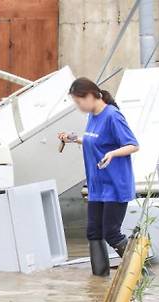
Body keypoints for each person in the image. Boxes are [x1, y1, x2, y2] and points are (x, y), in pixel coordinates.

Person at [58, 77, 139, 276]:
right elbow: (95, 140)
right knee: (93, 233)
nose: (78, 106)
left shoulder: (113, 116)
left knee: (111, 233)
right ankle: (99, 282)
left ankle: (143, 269)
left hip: (115, 185)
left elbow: (133, 145)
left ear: (91, 96)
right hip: (97, 186)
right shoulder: (93, 116)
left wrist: (112, 153)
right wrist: (73, 138)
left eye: (78, 102)